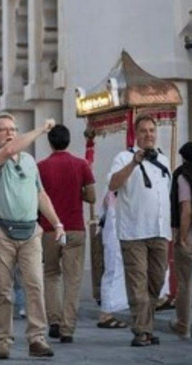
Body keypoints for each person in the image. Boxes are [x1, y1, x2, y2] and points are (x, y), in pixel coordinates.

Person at [0, 113, 63, 360]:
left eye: (13, 129)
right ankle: (3, 340)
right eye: (3, 129)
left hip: (30, 231)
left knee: (35, 285)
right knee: (3, 291)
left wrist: (56, 222)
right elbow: (8, 151)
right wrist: (41, 129)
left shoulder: (29, 160)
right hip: (0, 231)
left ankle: (37, 339)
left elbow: (40, 194)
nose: (9, 133)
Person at [107, 114, 171, 347]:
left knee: (155, 283)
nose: (148, 135)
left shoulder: (163, 160)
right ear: (136, 134)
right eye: (143, 131)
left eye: (152, 130)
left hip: (160, 232)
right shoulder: (123, 157)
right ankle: (141, 330)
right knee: (137, 283)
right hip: (133, 233)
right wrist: (134, 162)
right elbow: (113, 184)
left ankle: (147, 326)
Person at [37, 124, 96, 343]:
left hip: (50, 229)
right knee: (73, 280)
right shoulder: (81, 165)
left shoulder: (40, 167)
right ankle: (68, 328)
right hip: (74, 228)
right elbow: (91, 197)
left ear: (50, 142)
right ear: (69, 140)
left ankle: (54, 320)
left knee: (51, 274)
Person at [97, 188, 129, 329]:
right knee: (113, 270)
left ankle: (108, 310)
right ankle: (106, 313)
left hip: (115, 234)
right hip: (113, 236)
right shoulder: (113, 193)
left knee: (114, 270)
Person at [171, 142, 192, 339]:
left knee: (185, 283)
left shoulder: (183, 175)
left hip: (189, 235)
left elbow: (186, 209)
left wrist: (182, 237)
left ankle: (183, 325)